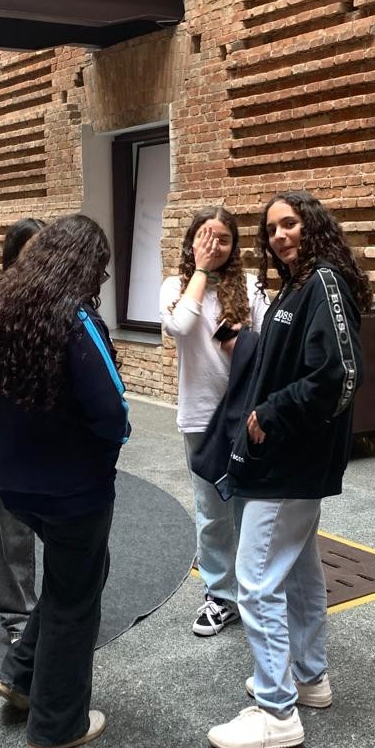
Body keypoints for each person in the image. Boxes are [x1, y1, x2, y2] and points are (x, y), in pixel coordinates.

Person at [205, 190, 370, 748]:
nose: (280, 235)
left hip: (291, 458)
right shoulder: (297, 285)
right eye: (272, 228)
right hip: (282, 455)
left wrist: (272, 413)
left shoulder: (323, 281)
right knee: (298, 574)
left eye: (291, 223)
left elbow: (341, 373)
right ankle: (308, 677)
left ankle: (277, 711)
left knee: (254, 582)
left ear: (312, 225)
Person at [0, 214, 130, 748]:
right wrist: (113, 443)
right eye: (100, 266)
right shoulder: (76, 318)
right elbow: (111, 407)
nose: (101, 278)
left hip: (18, 485)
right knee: (75, 599)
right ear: (82, 264)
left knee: (73, 577)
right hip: (74, 490)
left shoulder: (2, 308)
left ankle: (19, 675)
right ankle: (57, 725)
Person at [160, 207, 268, 637]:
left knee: (249, 508)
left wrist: (242, 342)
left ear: (235, 245)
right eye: (205, 237)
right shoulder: (176, 287)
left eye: (223, 238)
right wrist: (201, 271)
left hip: (245, 413)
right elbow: (179, 326)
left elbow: (268, 348)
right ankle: (220, 595)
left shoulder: (252, 286)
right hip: (200, 416)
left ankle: (252, 592)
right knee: (211, 511)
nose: (214, 245)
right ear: (191, 242)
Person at [0, 217, 45, 644]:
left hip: (56, 438)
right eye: (30, 252)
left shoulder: (64, 302)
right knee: (11, 530)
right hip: (7, 436)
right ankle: (18, 613)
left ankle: (58, 607)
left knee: (60, 526)